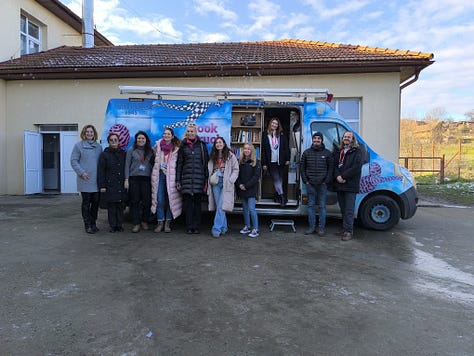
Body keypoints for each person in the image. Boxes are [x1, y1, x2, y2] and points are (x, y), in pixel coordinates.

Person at [176, 123, 209, 234]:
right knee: (188, 205)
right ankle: (189, 227)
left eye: (192, 131)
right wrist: (178, 180)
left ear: (196, 132)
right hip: (186, 180)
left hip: (199, 180)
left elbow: (205, 165)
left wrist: (206, 181)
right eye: (188, 131)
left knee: (198, 205)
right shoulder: (182, 146)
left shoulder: (201, 145)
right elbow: (179, 164)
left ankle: (196, 227)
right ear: (187, 133)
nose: (190, 133)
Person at [70, 124, 103, 234]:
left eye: (91, 132)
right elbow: (74, 161)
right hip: (85, 179)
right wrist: (81, 172)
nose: (89, 134)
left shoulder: (98, 147)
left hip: (96, 180)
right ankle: (87, 224)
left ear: (94, 134)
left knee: (95, 203)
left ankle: (93, 223)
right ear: (84, 133)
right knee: (86, 203)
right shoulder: (78, 146)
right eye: (87, 132)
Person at [300, 132, 334, 237]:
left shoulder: (327, 153)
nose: (316, 140)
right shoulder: (306, 153)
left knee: (322, 207)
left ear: (322, 140)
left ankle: (321, 228)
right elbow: (302, 168)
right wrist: (306, 180)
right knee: (310, 206)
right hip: (310, 184)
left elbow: (331, 168)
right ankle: (311, 228)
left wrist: (326, 180)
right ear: (312, 140)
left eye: (319, 138)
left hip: (322, 184)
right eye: (315, 138)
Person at [151, 127, 182, 233]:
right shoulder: (158, 145)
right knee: (159, 199)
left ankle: (168, 223)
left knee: (170, 199)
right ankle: (160, 222)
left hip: (171, 176)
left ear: (172, 136)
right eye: (164, 134)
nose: (166, 135)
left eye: (168, 134)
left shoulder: (177, 148)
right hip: (160, 175)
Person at [207, 137, 239, 238]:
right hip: (215, 183)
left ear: (224, 144)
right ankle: (224, 227)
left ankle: (216, 228)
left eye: (220, 142)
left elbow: (236, 169)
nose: (218, 144)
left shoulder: (230, 155)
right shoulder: (213, 156)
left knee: (221, 206)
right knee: (219, 207)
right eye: (216, 143)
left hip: (226, 183)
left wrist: (230, 180)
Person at [333, 131, 363, 241]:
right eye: (345, 137)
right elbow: (335, 166)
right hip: (340, 185)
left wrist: (343, 176)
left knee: (349, 210)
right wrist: (337, 176)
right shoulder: (340, 151)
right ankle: (345, 228)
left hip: (350, 185)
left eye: (349, 137)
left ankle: (349, 231)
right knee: (343, 209)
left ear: (353, 139)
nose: (346, 138)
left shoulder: (357, 152)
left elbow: (356, 167)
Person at [125, 131, 154, 233]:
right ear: (136, 140)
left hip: (146, 179)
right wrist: (126, 179)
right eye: (139, 138)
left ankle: (144, 221)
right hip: (134, 179)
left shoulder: (150, 151)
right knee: (135, 202)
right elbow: (127, 165)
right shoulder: (131, 150)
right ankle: (136, 223)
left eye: (143, 138)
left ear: (146, 140)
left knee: (147, 201)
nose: (141, 140)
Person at [98, 133, 126, 233]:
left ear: (118, 141)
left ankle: (119, 225)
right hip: (110, 184)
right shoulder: (104, 155)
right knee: (112, 206)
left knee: (120, 206)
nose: (114, 142)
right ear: (109, 142)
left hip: (121, 183)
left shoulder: (123, 153)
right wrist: (102, 185)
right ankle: (113, 226)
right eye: (111, 140)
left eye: (115, 140)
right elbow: (101, 171)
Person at [261, 117, 290, 207]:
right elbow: (263, 150)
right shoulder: (265, 134)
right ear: (270, 124)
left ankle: (276, 196)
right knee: (276, 179)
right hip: (271, 162)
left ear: (278, 126)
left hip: (280, 161)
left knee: (280, 179)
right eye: (273, 123)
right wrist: (264, 163)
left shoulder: (281, 135)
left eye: (276, 124)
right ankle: (282, 197)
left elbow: (286, 148)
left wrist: (288, 159)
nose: (274, 125)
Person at [236, 143, 261, 238]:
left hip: (251, 189)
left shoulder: (256, 162)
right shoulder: (240, 162)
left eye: (248, 149)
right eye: (245, 149)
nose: (246, 150)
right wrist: (239, 185)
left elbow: (256, 177)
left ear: (252, 151)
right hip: (242, 188)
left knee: (251, 208)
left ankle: (255, 229)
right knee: (245, 209)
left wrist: (246, 186)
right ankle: (247, 226)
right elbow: (237, 175)